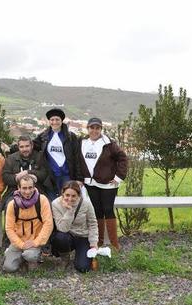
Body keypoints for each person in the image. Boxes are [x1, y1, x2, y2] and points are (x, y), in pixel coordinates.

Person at [78, 117, 128, 250]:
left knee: (107, 210)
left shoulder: (109, 144)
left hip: (107, 184)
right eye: (92, 128)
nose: (94, 131)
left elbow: (122, 158)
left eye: (97, 128)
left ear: (101, 129)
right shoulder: (82, 143)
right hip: (90, 183)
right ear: (87, 129)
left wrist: (118, 178)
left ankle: (114, 243)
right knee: (96, 211)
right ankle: (98, 241)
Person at [3, 174, 53, 272]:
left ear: (34, 187)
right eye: (24, 188)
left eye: (30, 188)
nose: (27, 191)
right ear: (18, 188)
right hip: (18, 242)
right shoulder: (12, 204)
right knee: (9, 268)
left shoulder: (42, 200)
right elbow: (9, 229)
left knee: (30, 256)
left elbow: (48, 224)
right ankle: (18, 256)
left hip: (35, 241)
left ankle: (32, 258)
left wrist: (36, 242)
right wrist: (21, 245)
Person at [33, 108, 81, 200]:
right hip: (50, 176)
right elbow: (31, 145)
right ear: (49, 121)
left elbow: (77, 157)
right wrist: (11, 148)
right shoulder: (44, 136)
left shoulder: (71, 137)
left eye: (57, 119)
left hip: (67, 175)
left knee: (67, 201)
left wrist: (79, 178)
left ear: (61, 121)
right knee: (52, 202)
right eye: (52, 120)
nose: (54, 122)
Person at [50, 181, 98, 273]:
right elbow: (62, 229)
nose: (70, 199)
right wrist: (69, 211)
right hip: (67, 235)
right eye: (67, 195)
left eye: (73, 196)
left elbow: (92, 223)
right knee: (59, 237)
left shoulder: (86, 203)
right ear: (62, 193)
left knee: (83, 268)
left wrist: (93, 242)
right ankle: (65, 258)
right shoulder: (56, 204)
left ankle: (82, 253)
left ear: (78, 195)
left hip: (83, 236)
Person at [1, 135, 48, 209]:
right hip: (14, 190)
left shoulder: (39, 157)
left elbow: (44, 174)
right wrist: (16, 178)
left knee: (45, 205)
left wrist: (29, 172)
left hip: (37, 189)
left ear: (31, 146)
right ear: (18, 147)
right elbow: (5, 177)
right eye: (22, 147)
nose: (24, 149)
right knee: (10, 205)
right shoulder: (11, 159)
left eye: (27, 146)